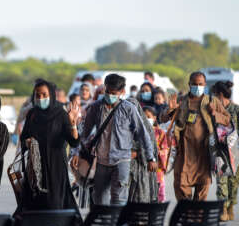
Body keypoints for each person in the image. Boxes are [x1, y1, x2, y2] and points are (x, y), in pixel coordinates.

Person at [79, 74, 157, 205]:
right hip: (101, 162)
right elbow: (85, 134)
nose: (109, 96)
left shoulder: (128, 109)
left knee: (119, 200)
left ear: (122, 92)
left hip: (121, 161)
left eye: (114, 93)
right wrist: (76, 152)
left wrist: (150, 158)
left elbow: (143, 134)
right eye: (107, 92)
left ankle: (115, 225)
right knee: (99, 199)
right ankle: (104, 224)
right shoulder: (96, 107)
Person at [161, 71, 230, 201]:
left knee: (202, 191)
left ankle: (197, 218)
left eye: (200, 84)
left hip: (204, 154)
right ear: (189, 84)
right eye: (194, 84)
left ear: (205, 85)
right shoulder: (181, 101)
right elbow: (163, 119)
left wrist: (215, 113)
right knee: (180, 187)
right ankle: (186, 216)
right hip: (184, 154)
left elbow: (227, 119)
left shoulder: (212, 101)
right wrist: (170, 109)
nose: (197, 87)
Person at [20, 79, 80, 213]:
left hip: (56, 168)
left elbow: (74, 142)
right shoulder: (32, 114)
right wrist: (27, 142)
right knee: (34, 208)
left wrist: (73, 124)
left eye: (44, 95)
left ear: (51, 95)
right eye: (37, 95)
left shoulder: (61, 114)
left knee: (55, 205)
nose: (41, 98)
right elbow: (23, 137)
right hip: (36, 169)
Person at [212, 81, 239, 220]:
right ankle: (222, 208)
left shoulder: (236, 109)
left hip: (235, 152)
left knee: (233, 182)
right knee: (221, 180)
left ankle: (230, 207)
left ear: (220, 95)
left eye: (215, 95)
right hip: (220, 152)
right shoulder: (213, 111)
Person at [144, 106, 168, 202]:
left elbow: (165, 150)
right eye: (143, 116)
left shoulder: (160, 132)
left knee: (159, 192)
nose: (145, 119)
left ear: (154, 118)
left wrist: (156, 151)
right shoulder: (137, 132)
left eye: (148, 116)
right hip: (143, 167)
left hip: (157, 167)